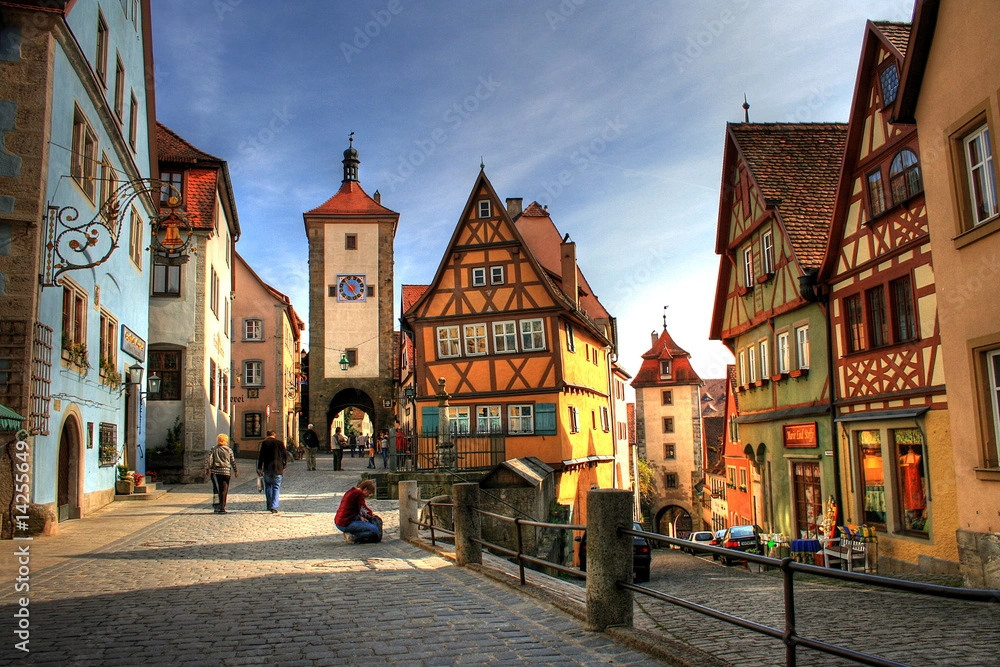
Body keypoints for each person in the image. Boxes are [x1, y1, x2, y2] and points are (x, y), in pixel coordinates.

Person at [204, 433, 238, 513]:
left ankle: (216, 507)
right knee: (224, 490)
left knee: (216, 489)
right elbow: (233, 461)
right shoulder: (229, 450)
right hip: (226, 472)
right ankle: (222, 507)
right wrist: (235, 471)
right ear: (226, 440)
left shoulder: (214, 449)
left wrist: (207, 469)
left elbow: (209, 460)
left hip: (216, 472)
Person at [256, 430, 287, 514]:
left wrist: (259, 468)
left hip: (267, 468)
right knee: (276, 487)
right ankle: (274, 506)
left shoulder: (265, 443)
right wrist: (284, 466)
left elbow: (261, 456)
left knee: (268, 486)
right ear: (274, 435)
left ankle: (269, 505)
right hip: (278, 468)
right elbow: (284, 455)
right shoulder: (280, 443)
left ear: (267, 435)